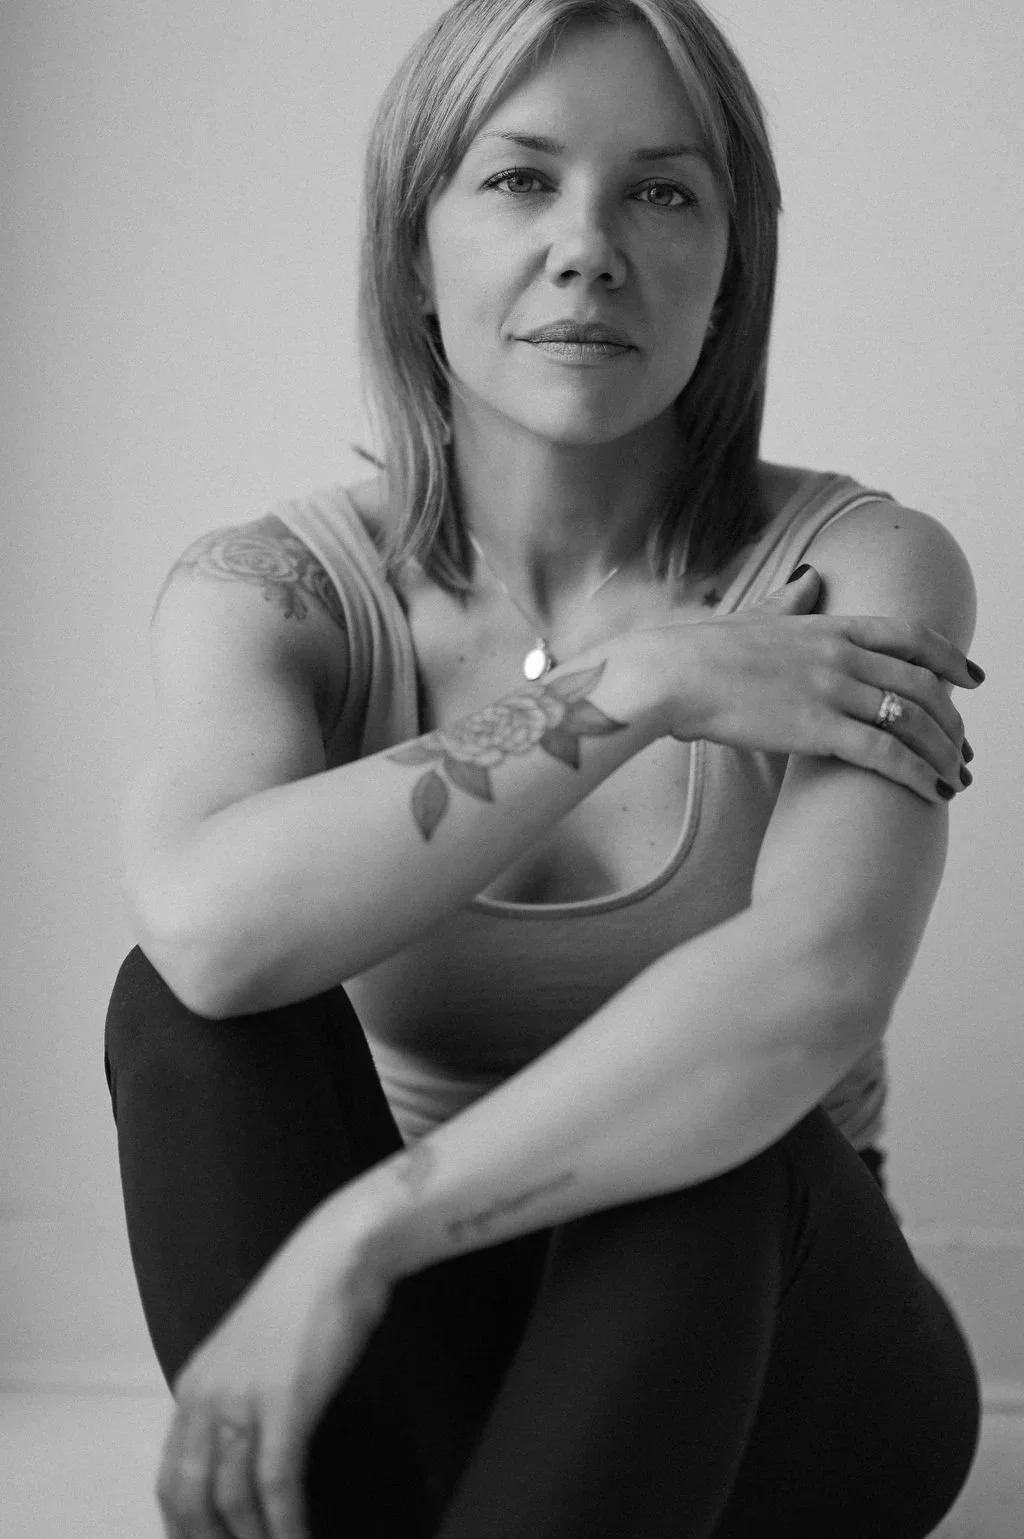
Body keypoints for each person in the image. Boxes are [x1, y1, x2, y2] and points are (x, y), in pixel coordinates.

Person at [103, 1, 986, 1535]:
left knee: (714, 1131)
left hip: (775, 1378)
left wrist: (361, 1236)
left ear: (732, 266)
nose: (589, 247)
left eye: (662, 191)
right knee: (185, 1016)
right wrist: (636, 683)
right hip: (433, 1389)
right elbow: (207, 931)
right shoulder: (277, 590)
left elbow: (814, 990)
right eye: (521, 180)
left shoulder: (861, 568)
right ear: (412, 250)